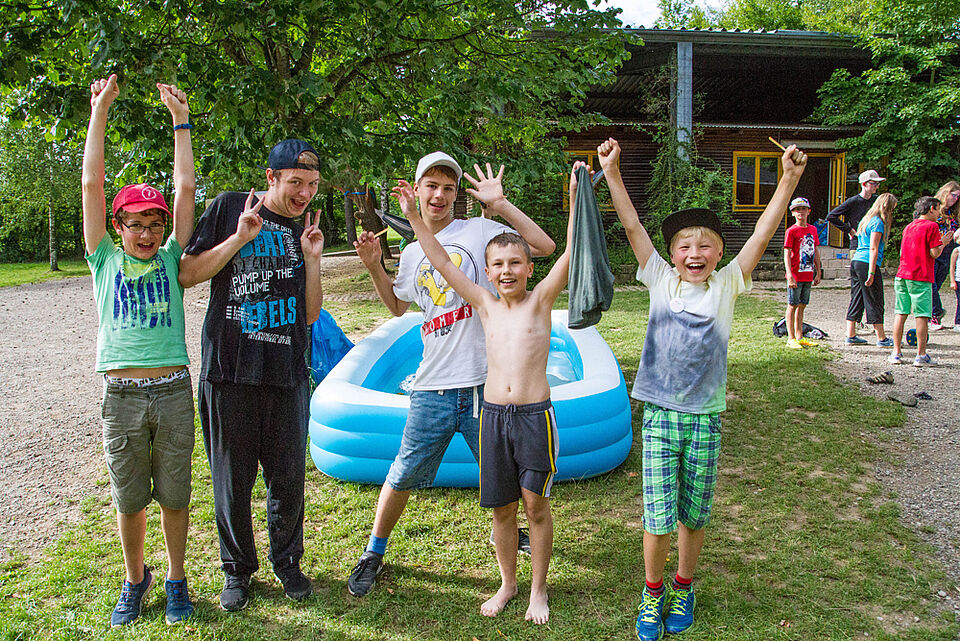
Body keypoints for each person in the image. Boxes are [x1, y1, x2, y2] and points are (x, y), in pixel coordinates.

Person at [597, 137, 807, 641]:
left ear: (719, 253)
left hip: (705, 418)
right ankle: (652, 592)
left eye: (705, 245)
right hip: (660, 416)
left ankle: (684, 586)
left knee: (693, 515)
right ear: (671, 255)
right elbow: (632, 225)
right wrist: (613, 171)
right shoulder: (659, 279)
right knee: (657, 515)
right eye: (685, 246)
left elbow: (763, 231)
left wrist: (788, 179)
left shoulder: (727, 284)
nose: (695, 253)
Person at [346, 152, 555, 598]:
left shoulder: (478, 231)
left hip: (486, 387)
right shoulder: (411, 252)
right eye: (432, 186)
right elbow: (397, 306)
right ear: (417, 190)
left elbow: (540, 246)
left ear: (457, 195)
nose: (439, 195)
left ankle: (510, 534)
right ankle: (374, 551)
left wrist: (499, 205)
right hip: (433, 386)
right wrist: (373, 266)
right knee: (403, 472)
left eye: (448, 188)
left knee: (505, 477)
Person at [389, 160, 578, 624]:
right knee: (501, 508)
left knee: (535, 505)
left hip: (534, 416)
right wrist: (412, 217)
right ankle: (508, 584)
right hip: (491, 415)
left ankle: (538, 589)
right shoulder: (484, 305)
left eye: (515, 263)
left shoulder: (541, 301)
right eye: (498, 265)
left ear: (530, 269)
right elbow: (438, 260)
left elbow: (572, 250)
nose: (507, 271)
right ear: (487, 273)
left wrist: (577, 199)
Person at [178, 140, 325, 611]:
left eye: (312, 185)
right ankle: (237, 571)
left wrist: (313, 260)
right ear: (271, 178)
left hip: (286, 372)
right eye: (296, 182)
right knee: (232, 480)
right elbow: (187, 273)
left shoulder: (303, 229)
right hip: (229, 370)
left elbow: (310, 315)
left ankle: (288, 563)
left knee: (288, 479)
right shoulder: (230, 208)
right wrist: (239, 239)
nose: (304, 193)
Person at [82, 74, 196, 626]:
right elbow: (91, 184)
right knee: (129, 500)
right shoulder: (103, 258)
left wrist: (181, 123)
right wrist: (99, 111)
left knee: (175, 495)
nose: (147, 233)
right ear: (117, 226)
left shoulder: (172, 257)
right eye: (135, 224)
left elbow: (185, 188)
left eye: (155, 224)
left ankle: (175, 578)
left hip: (172, 392)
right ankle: (135, 579)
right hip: (121, 396)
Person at [888, 196, 954, 366]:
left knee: (900, 313)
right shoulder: (932, 226)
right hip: (921, 276)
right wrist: (943, 242)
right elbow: (934, 253)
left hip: (902, 274)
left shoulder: (909, 226)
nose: (939, 214)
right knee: (922, 316)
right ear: (931, 208)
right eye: (938, 209)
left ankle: (896, 353)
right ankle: (921, 355)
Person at [846, 194, 898, 347]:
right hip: (867, 263)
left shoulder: (866, 220)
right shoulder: (878, 223)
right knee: (874, 299)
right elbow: (873, 248)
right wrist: (872, 272)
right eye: (892, 209)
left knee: (857, 298)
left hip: (856, 261)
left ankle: (851, 334)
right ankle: (881, 338)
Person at [782, 197, 821, 349]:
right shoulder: (791, 231)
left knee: (802, 305)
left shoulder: (813, 230)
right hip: (795, 274)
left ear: (808, 211)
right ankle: (790, 338)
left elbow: (815, 250)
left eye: (803, 209)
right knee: (792, 305)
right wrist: (789, 274)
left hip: (808, 273)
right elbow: (787, 253)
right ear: (793, 213)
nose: (800, 212)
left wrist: (818, 271)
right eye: (797, 210)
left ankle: (800, 336)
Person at [826, 169, 883, 253]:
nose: (877, 186)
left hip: (873, 243)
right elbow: (831, 216)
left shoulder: (877, 200)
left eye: (878, 184)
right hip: (857, 244)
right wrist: (849, 230)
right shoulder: (853, 201)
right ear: (864, 184)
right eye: (874, 183)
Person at [930, 181, 960, 329]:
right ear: (946, 193)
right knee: (931, 284)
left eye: (958, 197)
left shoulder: (953, 213)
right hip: (935, 249)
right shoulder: (934, 208)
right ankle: (936, 312)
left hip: (948, 251)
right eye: (954, 195)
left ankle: (932, 316)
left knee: (938, 283)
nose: (955, 199)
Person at [948, 229, 960, 332]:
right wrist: (952, 281)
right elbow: (952, 267)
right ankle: (958, 322)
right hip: (959, 279)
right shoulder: (957, 251)